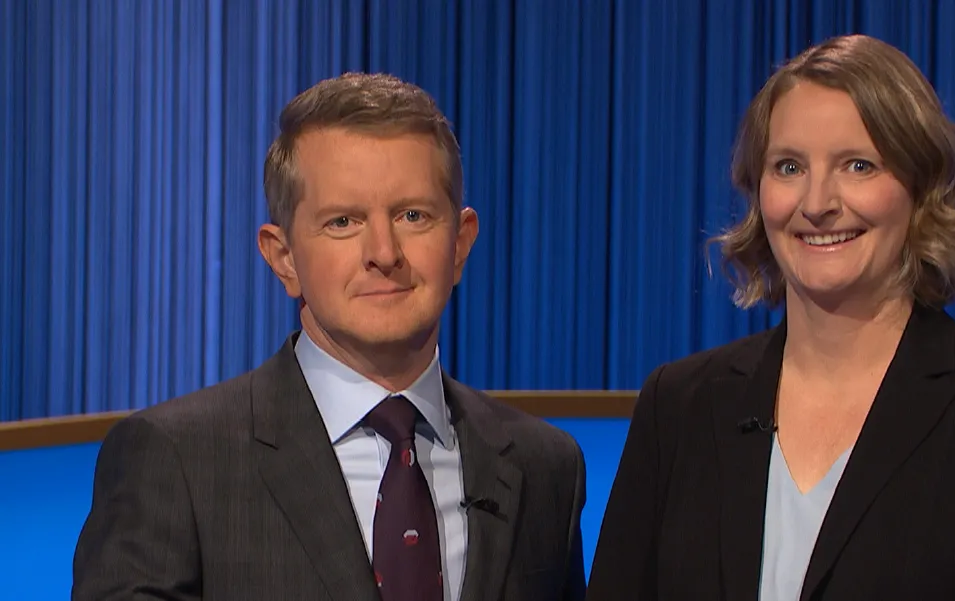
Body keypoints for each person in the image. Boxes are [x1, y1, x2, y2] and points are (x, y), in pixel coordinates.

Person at [586, 34, 955, 601]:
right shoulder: (681, 405)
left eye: (857, 165)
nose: (816, 203)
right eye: (788, 166)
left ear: (920, 186)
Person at [72, 73, 587, 601]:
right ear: (284, 258)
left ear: (460, 243)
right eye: (343, 221)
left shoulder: (545, 467)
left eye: (413, 215)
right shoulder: (177, 461)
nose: (384, 253)